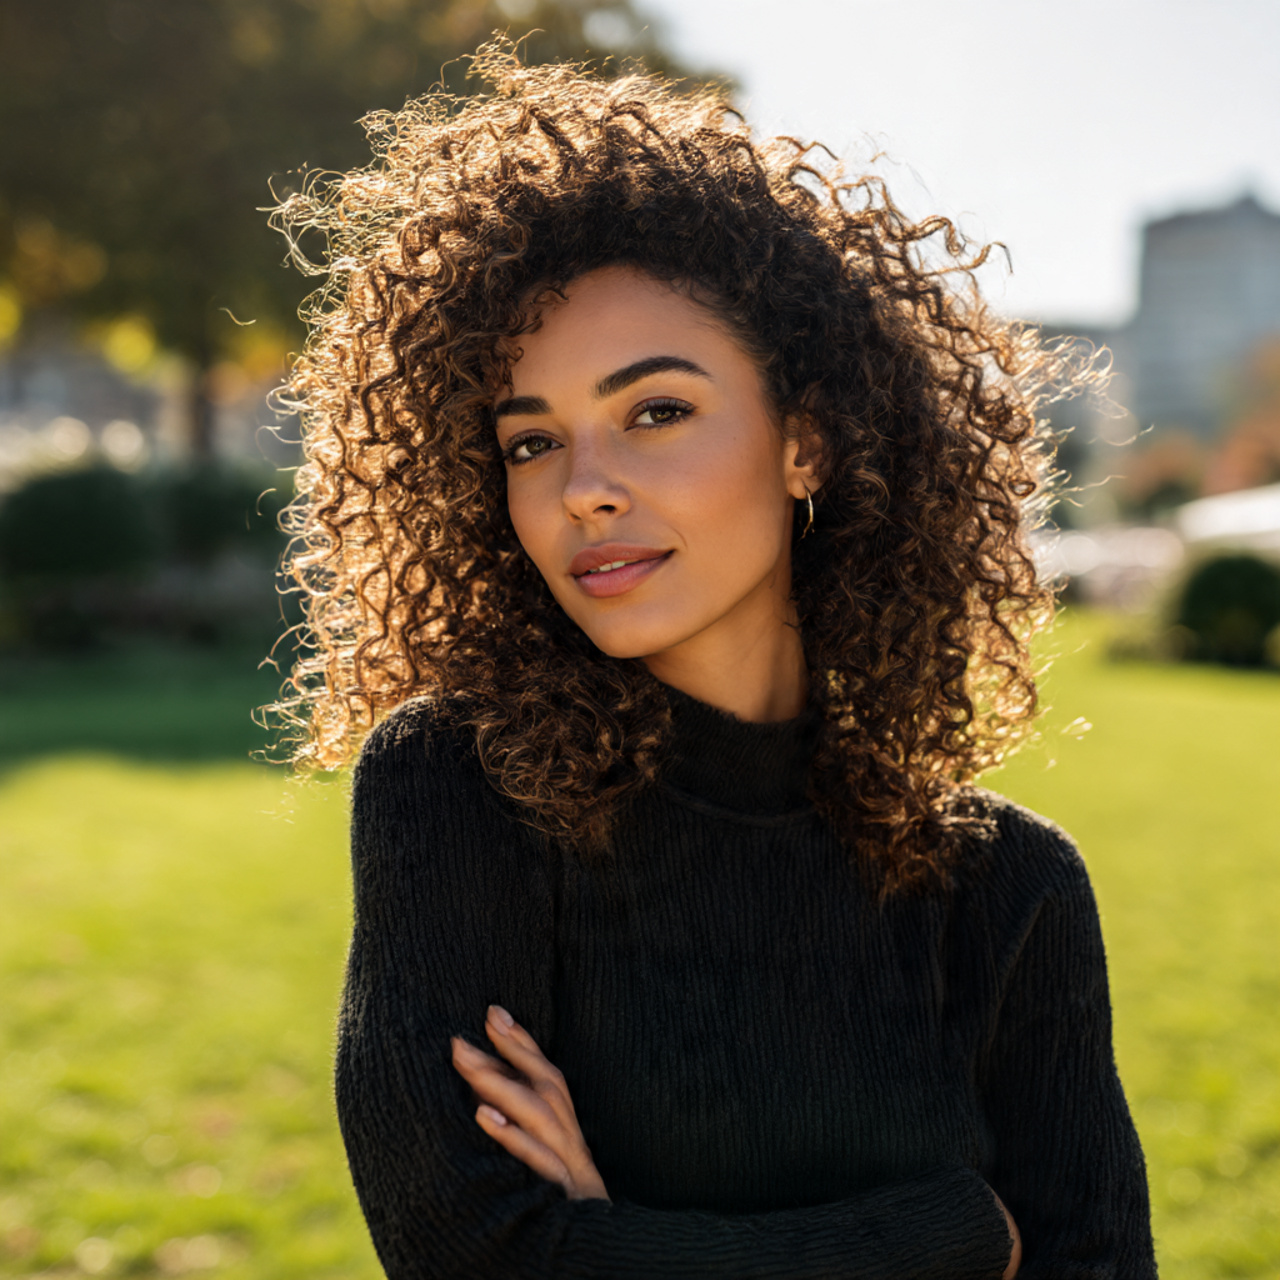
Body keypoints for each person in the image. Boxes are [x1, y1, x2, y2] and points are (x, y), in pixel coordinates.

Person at [272, 42, 1155, 1280]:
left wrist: (617, 1243)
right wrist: (950, 1231)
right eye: (531, 442)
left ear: (806, 440)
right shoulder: (461, 790)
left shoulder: (1009, 891)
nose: (583, 489)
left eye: (655, 411)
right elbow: (479, 1260)